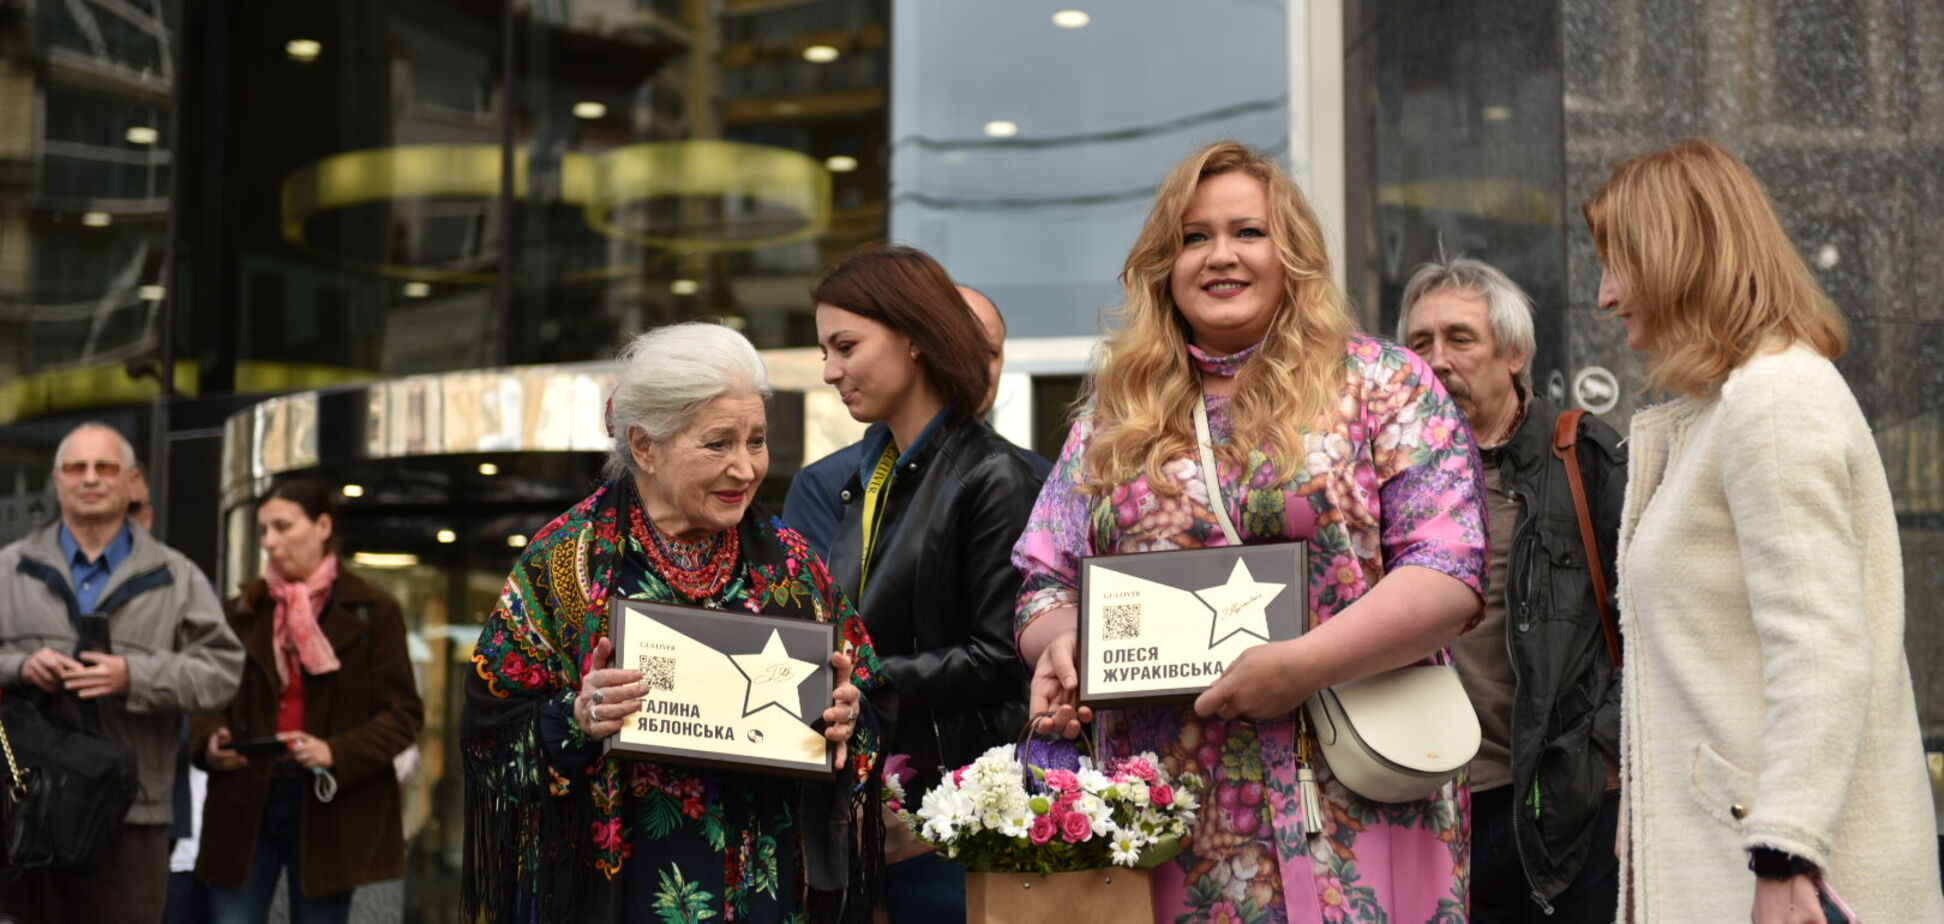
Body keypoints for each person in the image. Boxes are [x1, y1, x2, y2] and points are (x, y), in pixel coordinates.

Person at [1014, 141, 1487, 922]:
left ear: (1291, 252)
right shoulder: (1116, 415)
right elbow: (1043, 583)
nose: (1220, 256)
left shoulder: (1382, 381)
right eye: (1194, 237)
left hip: (1353, 784)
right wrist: (1060, 644)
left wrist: (1300, 665)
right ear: (1164, 264)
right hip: (1166, 808)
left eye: (1248, 233)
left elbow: (1449, 567)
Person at [1585, 138, 1943, 923]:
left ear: (1681, 255)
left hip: (1792, 878)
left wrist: (1787, 849)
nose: (1606, 295)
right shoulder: (1735, 407)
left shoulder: (1773, 401)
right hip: (1743, 859)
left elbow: (1819, 644)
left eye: (1620, 261)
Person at [461, 322, 883, 924]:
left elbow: (869, 697)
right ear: (645, 446)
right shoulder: (566, 561)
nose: (745, 468)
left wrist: (845, 716)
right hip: (612, 892)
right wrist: (577, 718)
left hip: (760, 891)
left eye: (757, 441)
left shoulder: (790, 565)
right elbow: (489, 728)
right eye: (718, 444)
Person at [809, 245, 1042, 921]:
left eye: (845, 345)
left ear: (914, 336)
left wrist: (864, 678)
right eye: (826, 349)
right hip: (884, 813)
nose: (830, 371)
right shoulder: (872, 474)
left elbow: (1003, 657)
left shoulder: (995, 475)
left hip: (953, 824)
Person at [1397, 257, 1626, 921]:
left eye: (1460, 339)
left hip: (1560, 809)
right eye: (1419, 344)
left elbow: (1655, 619)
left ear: (1515, 353)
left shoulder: (1582, 460)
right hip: (1421, 806)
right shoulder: (1377, 479)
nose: (1437, 361)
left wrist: (1602, 754)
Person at [0, 422, 245, 922]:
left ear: (132, 481)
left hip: (133, 815)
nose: (91, 478)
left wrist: (135, 676)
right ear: (57, 479)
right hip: (27, 806)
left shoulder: (177, 576)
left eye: (105, 467)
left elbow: (222, 671)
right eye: (77, 467)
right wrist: (19, 666)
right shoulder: (9, 570)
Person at [190, 479, 424, 924]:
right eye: (262, 531)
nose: (270, 542)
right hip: (244, 797)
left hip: (328, 798)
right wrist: (210, 738)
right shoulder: (242, 609)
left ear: (322, 526)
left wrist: (335, 751)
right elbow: (206, 695)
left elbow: (403, 716)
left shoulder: (374, 610)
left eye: (282, 527)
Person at [787, 282, 1050, 557]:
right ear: (920, 346)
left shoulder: (1038, 478)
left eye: (989, 352)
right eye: (958, 345)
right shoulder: (825, 484)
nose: (973, 363)